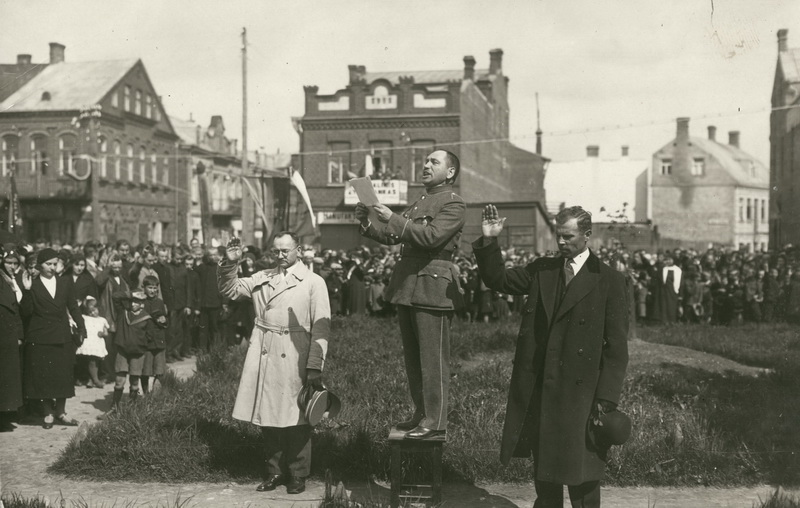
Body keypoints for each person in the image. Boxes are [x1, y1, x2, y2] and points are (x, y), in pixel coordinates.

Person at [473, 205, 629, 508]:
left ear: (587, 235)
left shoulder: (609, 280)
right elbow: (498, 280)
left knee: (583, 475)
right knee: (545, 473)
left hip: (583, 395)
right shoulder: (542, 270)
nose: (561, 242)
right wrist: (490, 240)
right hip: (543, 386)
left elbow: (616, 348)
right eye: (558, 236)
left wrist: (606, 398)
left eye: (568, 236)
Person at [355, 149, 466, 439]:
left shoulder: (454, 203)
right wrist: (367, 222)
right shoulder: (421, 201)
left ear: (450, 172)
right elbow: (393, 235)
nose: (426, 165)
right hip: (408, 287)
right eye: (425, 161)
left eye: (433, 162)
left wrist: (393, 217)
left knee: (433, 361)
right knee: (414, 360)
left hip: (432, 289)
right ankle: (422, 414)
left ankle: (435, 422)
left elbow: (431, 237)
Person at [219, 233, 331, 495]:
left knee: (298, 416)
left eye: (285, 251)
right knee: (268, 413)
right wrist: (231, 263)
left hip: (295, 353)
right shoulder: (263, 277)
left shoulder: (313, 282)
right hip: (265, 351)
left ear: (298, 250)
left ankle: (298, 473)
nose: (280, 256)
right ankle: (275, 471)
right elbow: (229, 289)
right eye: (276, 251)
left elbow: (322, 326)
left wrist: (314, 365)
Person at [19, 248, 86, 429]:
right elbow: (26, 312)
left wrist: (82, 327)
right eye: (48, 264)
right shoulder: (33, 285)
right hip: (41, 336)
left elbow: (73, 307)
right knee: (44, 376)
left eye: (55, 264)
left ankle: (61, 412)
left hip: (62, 335)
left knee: (62, 375)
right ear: (40, 265)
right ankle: (48, 412)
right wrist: (27, 290)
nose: (52, 267)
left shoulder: (65, 282)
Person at [0, 249, 24, 431]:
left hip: (9, 333)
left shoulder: (14, 280)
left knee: (7, 376)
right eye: (9, 262)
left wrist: (18, 334)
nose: (12, 266)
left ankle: (5, 414)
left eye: (15, 263)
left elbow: (16, 309)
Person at [140, 275, 168, 394]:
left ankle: (156, 395)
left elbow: (165, 319)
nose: (152, 290)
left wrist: (164, 320)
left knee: (160, 370)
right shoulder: (141, 302)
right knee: (145, 371)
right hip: (146, 341)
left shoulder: (160, 302)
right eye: (150, 288)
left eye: (155, 288)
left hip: (159, 340)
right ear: (144, 288)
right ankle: (146, 393)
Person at [75, 297, 109, 388]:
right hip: (88, 343)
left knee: (95, 361)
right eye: (90, 312)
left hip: (97, 343)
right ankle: (95, 380)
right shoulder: (85, 318)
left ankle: (92, 379)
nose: (92, 313)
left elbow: (106, 332)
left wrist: (102, 333)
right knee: (90, 361)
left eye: (94, 310)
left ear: (99, 309)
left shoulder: (102, 320)